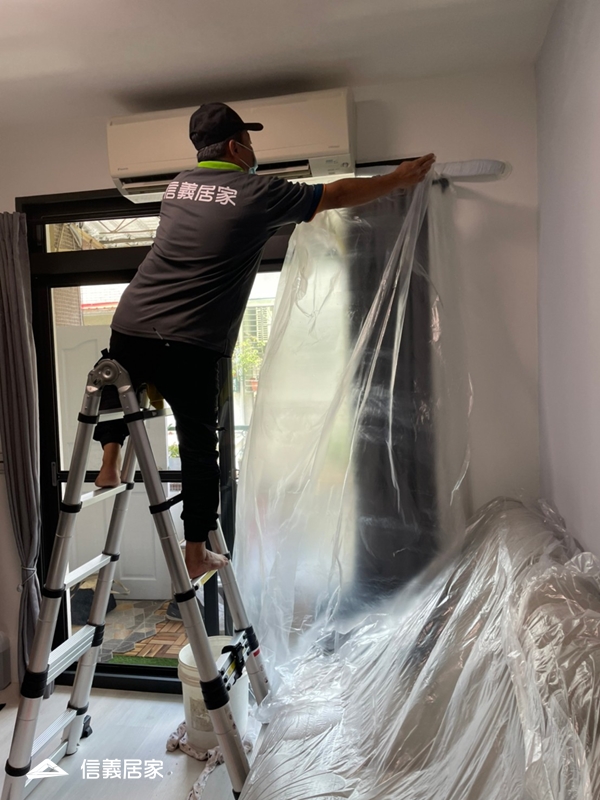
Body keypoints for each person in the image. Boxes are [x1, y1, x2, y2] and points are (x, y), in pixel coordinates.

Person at [93, 101, 435, 585]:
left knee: (113, 373)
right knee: (197, 446)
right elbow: (335, 194)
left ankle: (109, 460)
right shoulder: (258, 192)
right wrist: (397, 180)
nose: (254, 152)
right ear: (236, 147)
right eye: (250, 143)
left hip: (132, 320)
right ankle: (194, 553)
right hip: (190, 339)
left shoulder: (177, 187)